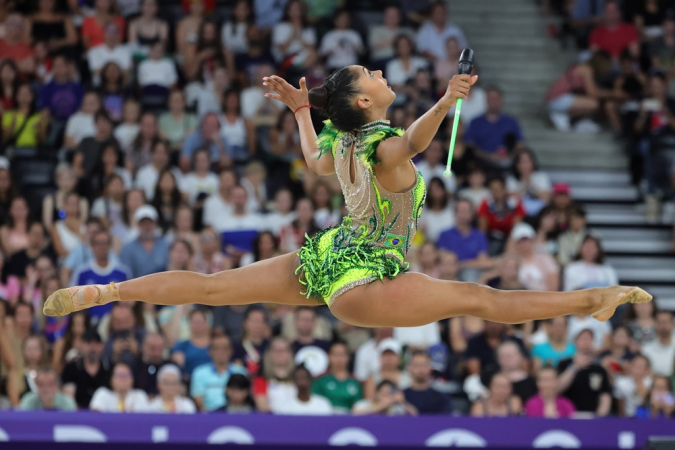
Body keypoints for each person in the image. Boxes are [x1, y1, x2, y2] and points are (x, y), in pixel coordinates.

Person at [44, 67, 651, 345]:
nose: (380, 72)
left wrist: (303, 112)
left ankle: (106, 293)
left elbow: (312, 160)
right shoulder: (383, 143)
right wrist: (443, 102)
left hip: (330, 256)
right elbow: (412, 142)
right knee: (479, 299)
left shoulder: (342, 141)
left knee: (211, 285)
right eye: (371, 73)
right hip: (363, 278)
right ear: (365, 100)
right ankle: (593, 300)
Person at [70, 230, 130, 323]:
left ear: (110, 246)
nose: (101, 247)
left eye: (105, 243)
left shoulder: (123, 272)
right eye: (98, 243)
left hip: (114, 324)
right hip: (89, 325)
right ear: (92, 246)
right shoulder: (82, 273)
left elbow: (128, 302)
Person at [465, 87, 524, 170]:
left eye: (496, 98)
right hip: (483, 166)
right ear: (485, 101)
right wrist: (489, 156)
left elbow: (520, 144)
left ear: (501, 100)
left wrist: (512, 155)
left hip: (508, 164)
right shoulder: (475, 122)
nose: (493, 102)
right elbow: (470, 146)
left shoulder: (511, 121)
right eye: (490, 99)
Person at [557, 329, 612, 416]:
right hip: (566, 416)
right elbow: (558, 388)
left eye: (589, 339)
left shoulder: (600, 370)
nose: (585, 342)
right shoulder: (564, 364)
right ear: (575, 342)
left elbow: (605, 396)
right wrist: (575, 367)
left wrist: (599, 417)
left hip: (592, 416)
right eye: (582, 339)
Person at [190, 333, 247, 411]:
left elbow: (245, 396)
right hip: (209, 416)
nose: (221, 352)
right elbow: (198, 399)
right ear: (210, 351)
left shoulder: (241, 371)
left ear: (231, 351)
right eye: (216, 348)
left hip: (235, 414)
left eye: (225, 348)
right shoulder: (199, 372)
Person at [61, 329, 111, 409]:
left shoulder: (110, 368)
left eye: (96, 344)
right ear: (81, 345)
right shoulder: (71, 368)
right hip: (78, 415)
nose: (92, 348)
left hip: (105, 415)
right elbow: (68, 397)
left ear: (102, 346)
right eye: (88, 343)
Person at [311, 341, 363, 413]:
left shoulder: (355, 382)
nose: (339, 359)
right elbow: (314, 404)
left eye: (342, 354)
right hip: (325, 418)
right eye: (336, 355)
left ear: (348, 357)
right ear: (329, 356)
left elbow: (359, 406)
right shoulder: (320, 380)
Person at [119, 205, 169, 278]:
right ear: (137, 225)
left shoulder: (166, 246)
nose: (147, 226)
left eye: (149, 223)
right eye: (143, 223)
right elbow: (126, 275)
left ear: (156, 224)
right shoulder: (128, 248)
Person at [403, 350, 452, 415]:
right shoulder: (402, 396)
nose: (421, 369)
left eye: (424, 365)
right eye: (416, 365)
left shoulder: (441, 398)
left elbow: (444, 422)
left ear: (430, 368)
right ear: (409, 368)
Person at [353, 379, 417, 416]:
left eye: (389, 394)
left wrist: (403, 402)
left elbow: (415, 414)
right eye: (384, 394)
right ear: (377, 393)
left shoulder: (396, 408)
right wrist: (380, 406)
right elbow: (355, 412)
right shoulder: (365, 404)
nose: (387, 397)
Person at [641, 310, 675, 377]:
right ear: (655, 324)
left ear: (672, 324)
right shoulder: (646, 349)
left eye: (666, 322)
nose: (663, 326)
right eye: (660, 322)